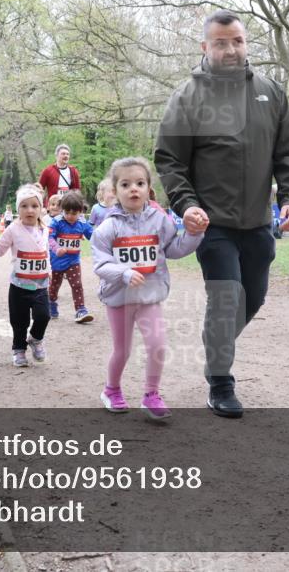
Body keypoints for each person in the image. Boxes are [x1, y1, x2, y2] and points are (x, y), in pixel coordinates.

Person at [155, 8, 289, 418]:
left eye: (237, 41)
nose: (231, 49)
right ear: (206, 47)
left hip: (258, 222)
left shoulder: (271, 92)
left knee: (251, 299)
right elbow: (170, 161)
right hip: (212, 223)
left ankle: (214, 345)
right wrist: (188, 206)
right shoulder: (188, 96)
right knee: (226, 299)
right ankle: (221, 383)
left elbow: (288, 152)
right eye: (221, 43)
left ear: (246, 43)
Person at [92, 157, 204, 419]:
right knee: (123, 350)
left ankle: (151, 394)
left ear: (148, 189)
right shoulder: (108, 227)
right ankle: (111, 390)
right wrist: (124, 272)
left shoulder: (160, 220)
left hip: (149, 296)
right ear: (115, 190)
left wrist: (195, 235)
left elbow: (173, 249)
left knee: (158, 345)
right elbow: (100, 264)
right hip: (119, 298)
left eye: (140, 183)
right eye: (126, 184)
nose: (134, 189)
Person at [0, 184, 52, 367]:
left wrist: (50, 272)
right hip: (19, 286)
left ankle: (36, 339)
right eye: (24, 206)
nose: (29, 210)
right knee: (19, 321)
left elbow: (45, 253)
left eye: (34, 206)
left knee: (43, 316)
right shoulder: (13, 229)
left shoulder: (45, 229)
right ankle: (18, 349)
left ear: (41, 209)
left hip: (40, 284)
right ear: (18, 209)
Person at [47, 190, 95, 323]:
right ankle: (51, 302)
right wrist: (56, 248)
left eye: (74, 213)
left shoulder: (82, 223)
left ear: (80, 211)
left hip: (73, 261)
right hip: (57, 261)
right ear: (62, 209)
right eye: (66, 212)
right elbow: (49, 237)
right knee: (54, 286)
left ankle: (80, 310)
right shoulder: (56, 222)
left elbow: (94, 236)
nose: (70, 216)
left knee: (77, 284)